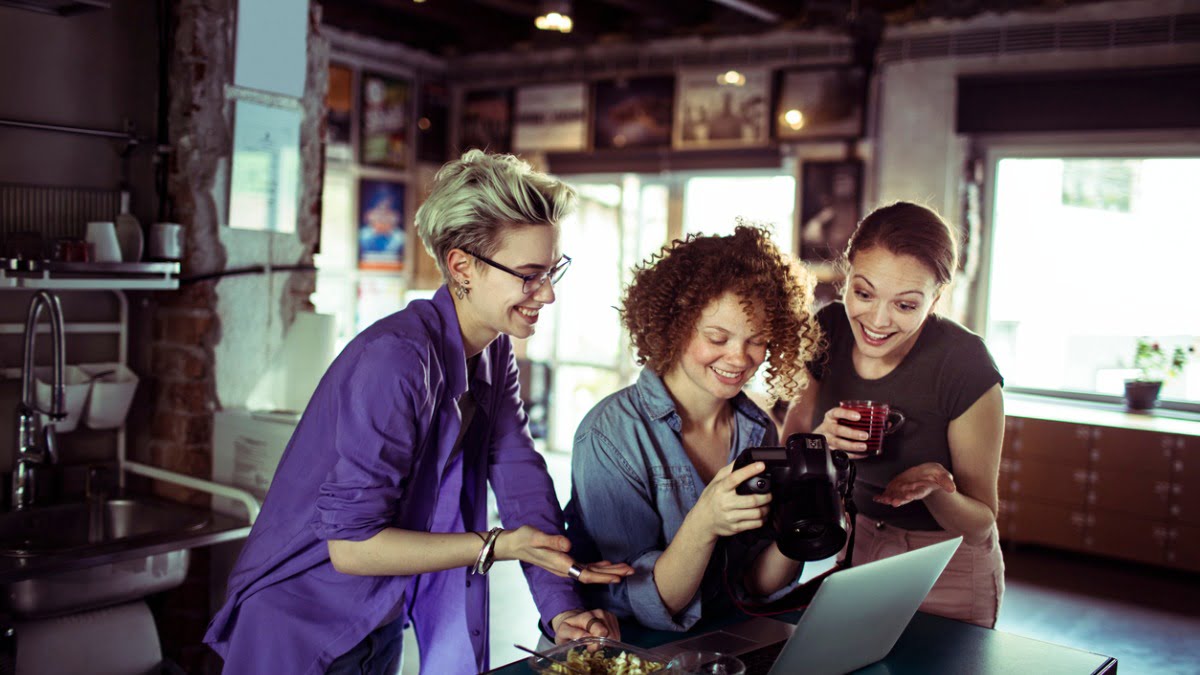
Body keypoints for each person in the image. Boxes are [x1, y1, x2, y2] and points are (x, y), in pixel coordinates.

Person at [204, 150, 633, 674]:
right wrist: (496, 546)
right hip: (300, 624)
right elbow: (352, 548)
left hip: (378, 618)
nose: (546, 293)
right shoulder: (396, 361)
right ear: (462, 266)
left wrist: (561, 608)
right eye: (529, 275)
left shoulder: (493, 351)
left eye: (551, 271)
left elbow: (519, 475)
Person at [564, 225, 822, 632]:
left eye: (757, 340)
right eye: (717, 337)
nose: (739, 358)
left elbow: (752, 584)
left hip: (722, 643)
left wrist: (807, 520)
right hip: (626, 651)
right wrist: (704, 522)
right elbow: (652, 601)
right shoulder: (609, 436)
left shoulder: (757, 430)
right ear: (674, 325)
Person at [782, 201, 1005, 628]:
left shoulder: (965, 363)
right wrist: (820, 446)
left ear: (935, 298)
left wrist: (935, 489)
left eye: (905, 305)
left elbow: (980, 525)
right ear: (846, 277)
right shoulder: (827, 329)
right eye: (863, 293)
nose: (877, 321)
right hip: (860, 543)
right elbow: (789, 450)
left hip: (946, 563)